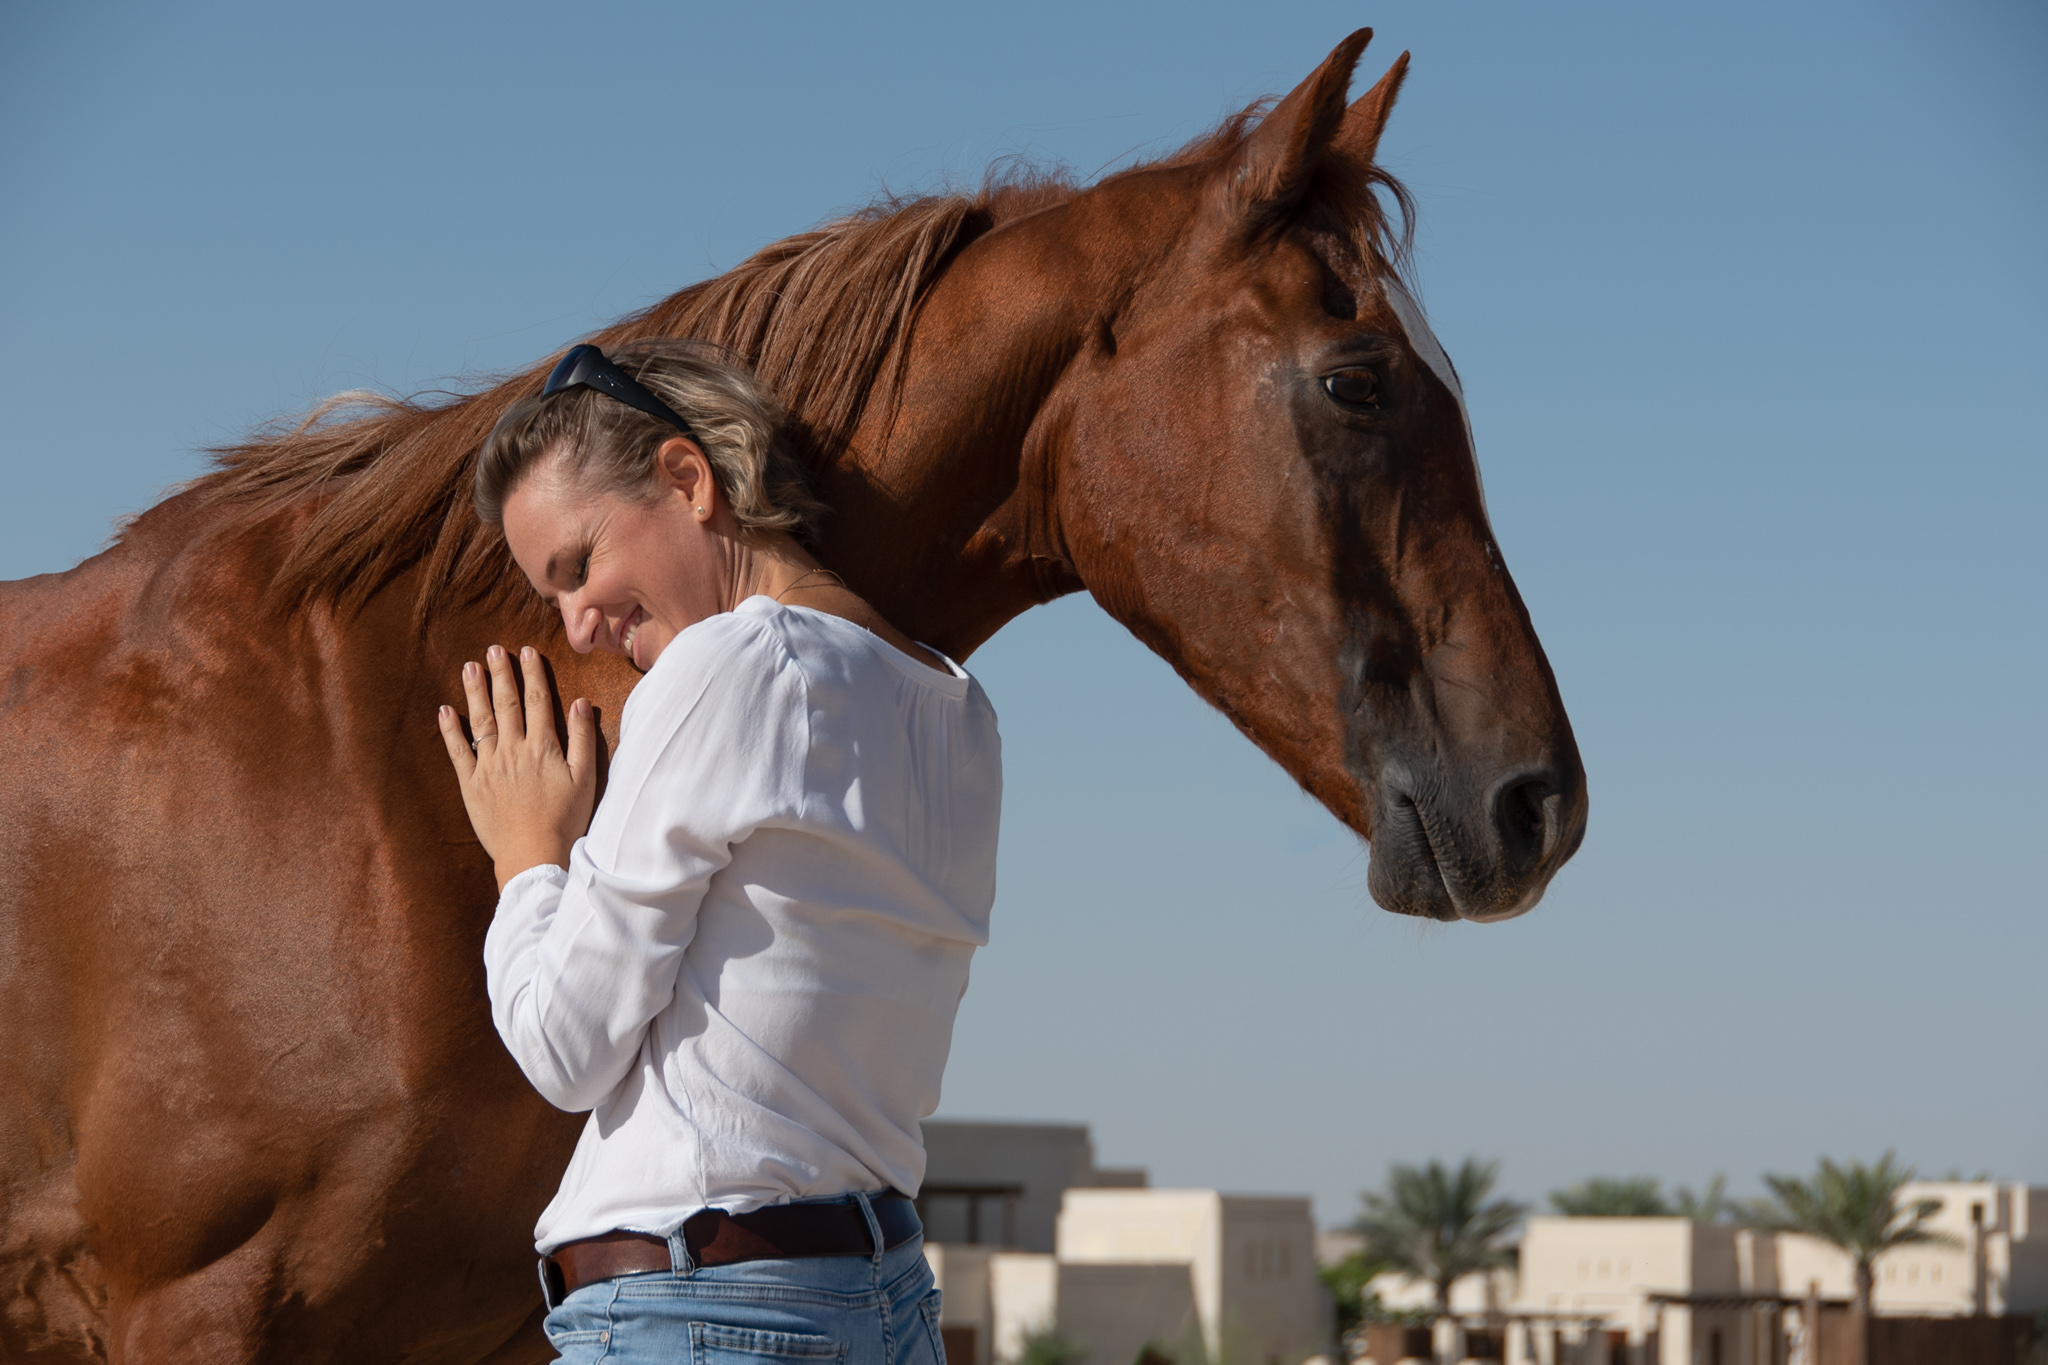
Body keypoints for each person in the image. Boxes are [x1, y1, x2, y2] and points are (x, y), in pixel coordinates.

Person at [434, 339, 1001, 1365]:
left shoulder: (723, 666)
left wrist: (527, 858)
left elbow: (566, 1048)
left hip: (697, 1313)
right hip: (884, 1306)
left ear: (687, 479)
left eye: (578, 566)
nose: (576, 625)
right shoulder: (958, 709)